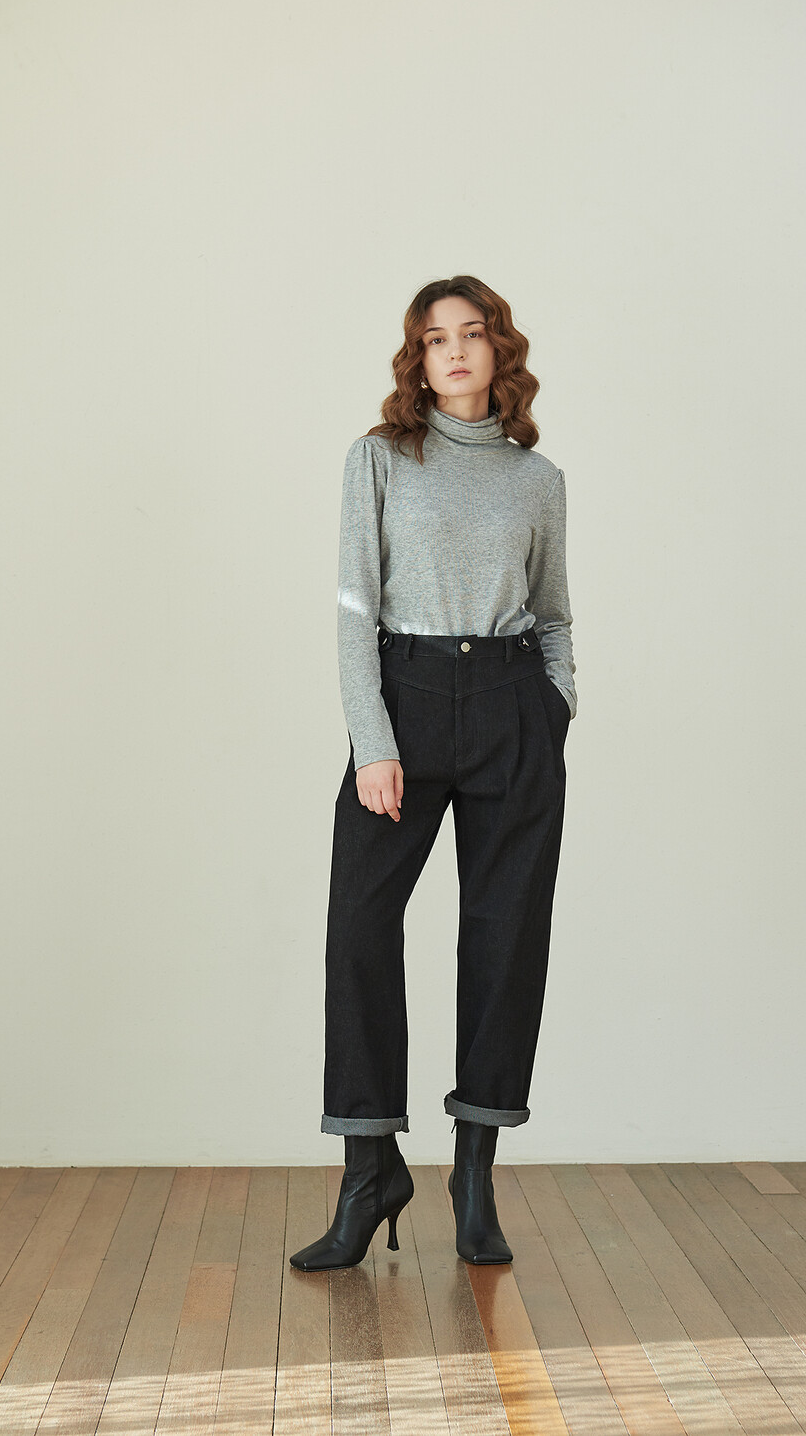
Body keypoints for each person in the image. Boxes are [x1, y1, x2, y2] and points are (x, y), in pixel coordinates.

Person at [289, 274, 576, 1272]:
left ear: (500, 349)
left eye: (471, 333)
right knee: (359, 929)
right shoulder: (379, 457)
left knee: (506, 938)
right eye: (434, 338)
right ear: (417, 358)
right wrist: (373, 741)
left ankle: (474, 1174)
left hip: (510, 706)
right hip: (405, 698)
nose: (453, 351)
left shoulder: (538, 479)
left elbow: (553, 612)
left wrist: (555, 707)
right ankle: (369, 1167)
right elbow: (352, 607)